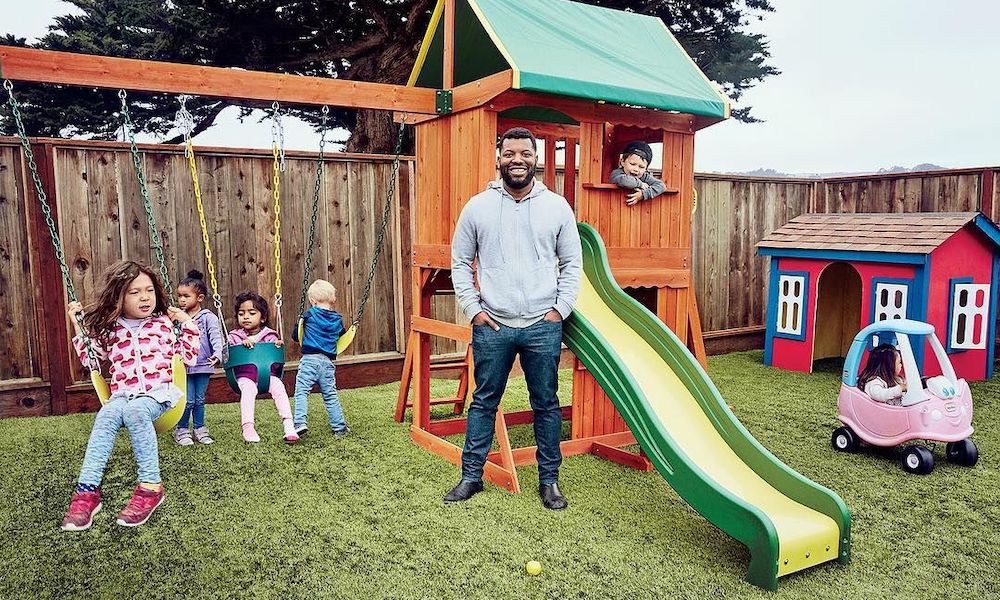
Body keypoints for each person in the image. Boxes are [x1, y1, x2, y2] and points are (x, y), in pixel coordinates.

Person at [446, 126, 582, 510]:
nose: (517, 160)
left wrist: (559, 310)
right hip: (494, 324)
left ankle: (549, 481)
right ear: (498, 157)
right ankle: (471, 477)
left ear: (536, 158)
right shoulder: (477, 207)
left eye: (524, 153)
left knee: (546, 403)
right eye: (509, 154)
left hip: (543, 324)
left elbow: (573, 263)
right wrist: (473, 310)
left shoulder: (557, 207)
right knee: (484, 401)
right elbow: (459, 262)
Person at [61, 260, 200, 531]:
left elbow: (189, 357)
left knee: (136, 411)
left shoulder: (162, 324)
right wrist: (78, 326)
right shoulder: (111, 330)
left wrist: (187, 323)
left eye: (148, 290)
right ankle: (86, 493)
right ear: (118, 297)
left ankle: (150, 487)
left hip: (159, 394)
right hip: (123, 395)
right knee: (107, 413)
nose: (145, 297)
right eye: (134, 292)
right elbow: (92, 361)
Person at [227, 291, 298, 444]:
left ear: (263, 317)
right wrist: (241, 345)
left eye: (252, 313)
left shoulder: (271, 336)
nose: (246, 316)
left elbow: (276, 364)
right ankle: (248, 427)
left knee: (279, 386)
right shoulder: (234, 336)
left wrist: (276, 348)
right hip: (244, 377)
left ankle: (289, 425)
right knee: (248, 389)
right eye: (241, 313)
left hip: (267, 376)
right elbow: (229, 353)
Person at [292, 279, 349, 437]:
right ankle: (340, 428)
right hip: (328, 363)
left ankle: (299, 422)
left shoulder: (309, 315)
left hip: (310, 360)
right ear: (334, 300)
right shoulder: (337, 320)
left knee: (301, 392)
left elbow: (295, 337)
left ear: (312, 300)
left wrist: (299, 323)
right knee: (330, 395)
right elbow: (342, 337)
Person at [174, 270, 224, 446]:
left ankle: (200, 428)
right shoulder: (177, 319)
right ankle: (182, 430)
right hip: (184, 366)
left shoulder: (208, 317)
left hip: (203, 364)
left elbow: (216, 337)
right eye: (179, 296)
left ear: (200, 298)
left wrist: (217, 354)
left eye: (186, 296)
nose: (181, 300)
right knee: (187, 400)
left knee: (200, 399)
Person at [609, 140, 667, 206]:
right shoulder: (616, 173)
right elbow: (625, 181)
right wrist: (641, 184)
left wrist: (643, 194)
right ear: (622, 162)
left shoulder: (644, 176)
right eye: (632, 164)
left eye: (641, 167)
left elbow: (661, 186)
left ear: (646, 169)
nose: (636, 169)